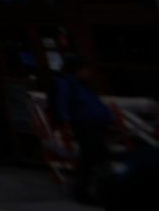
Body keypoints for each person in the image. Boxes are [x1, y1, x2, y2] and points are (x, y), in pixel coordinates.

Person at [48, 53, 114, 204]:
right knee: (92, 158)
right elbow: (63, 104)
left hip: (91, 125)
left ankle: (89, 190)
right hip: (84, 125)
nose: (89, 73)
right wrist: (66, 123)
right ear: (77, 70)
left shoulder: (79, 84)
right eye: (86, 69)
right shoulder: (69, 84)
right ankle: (86, 191)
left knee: (94, 158)